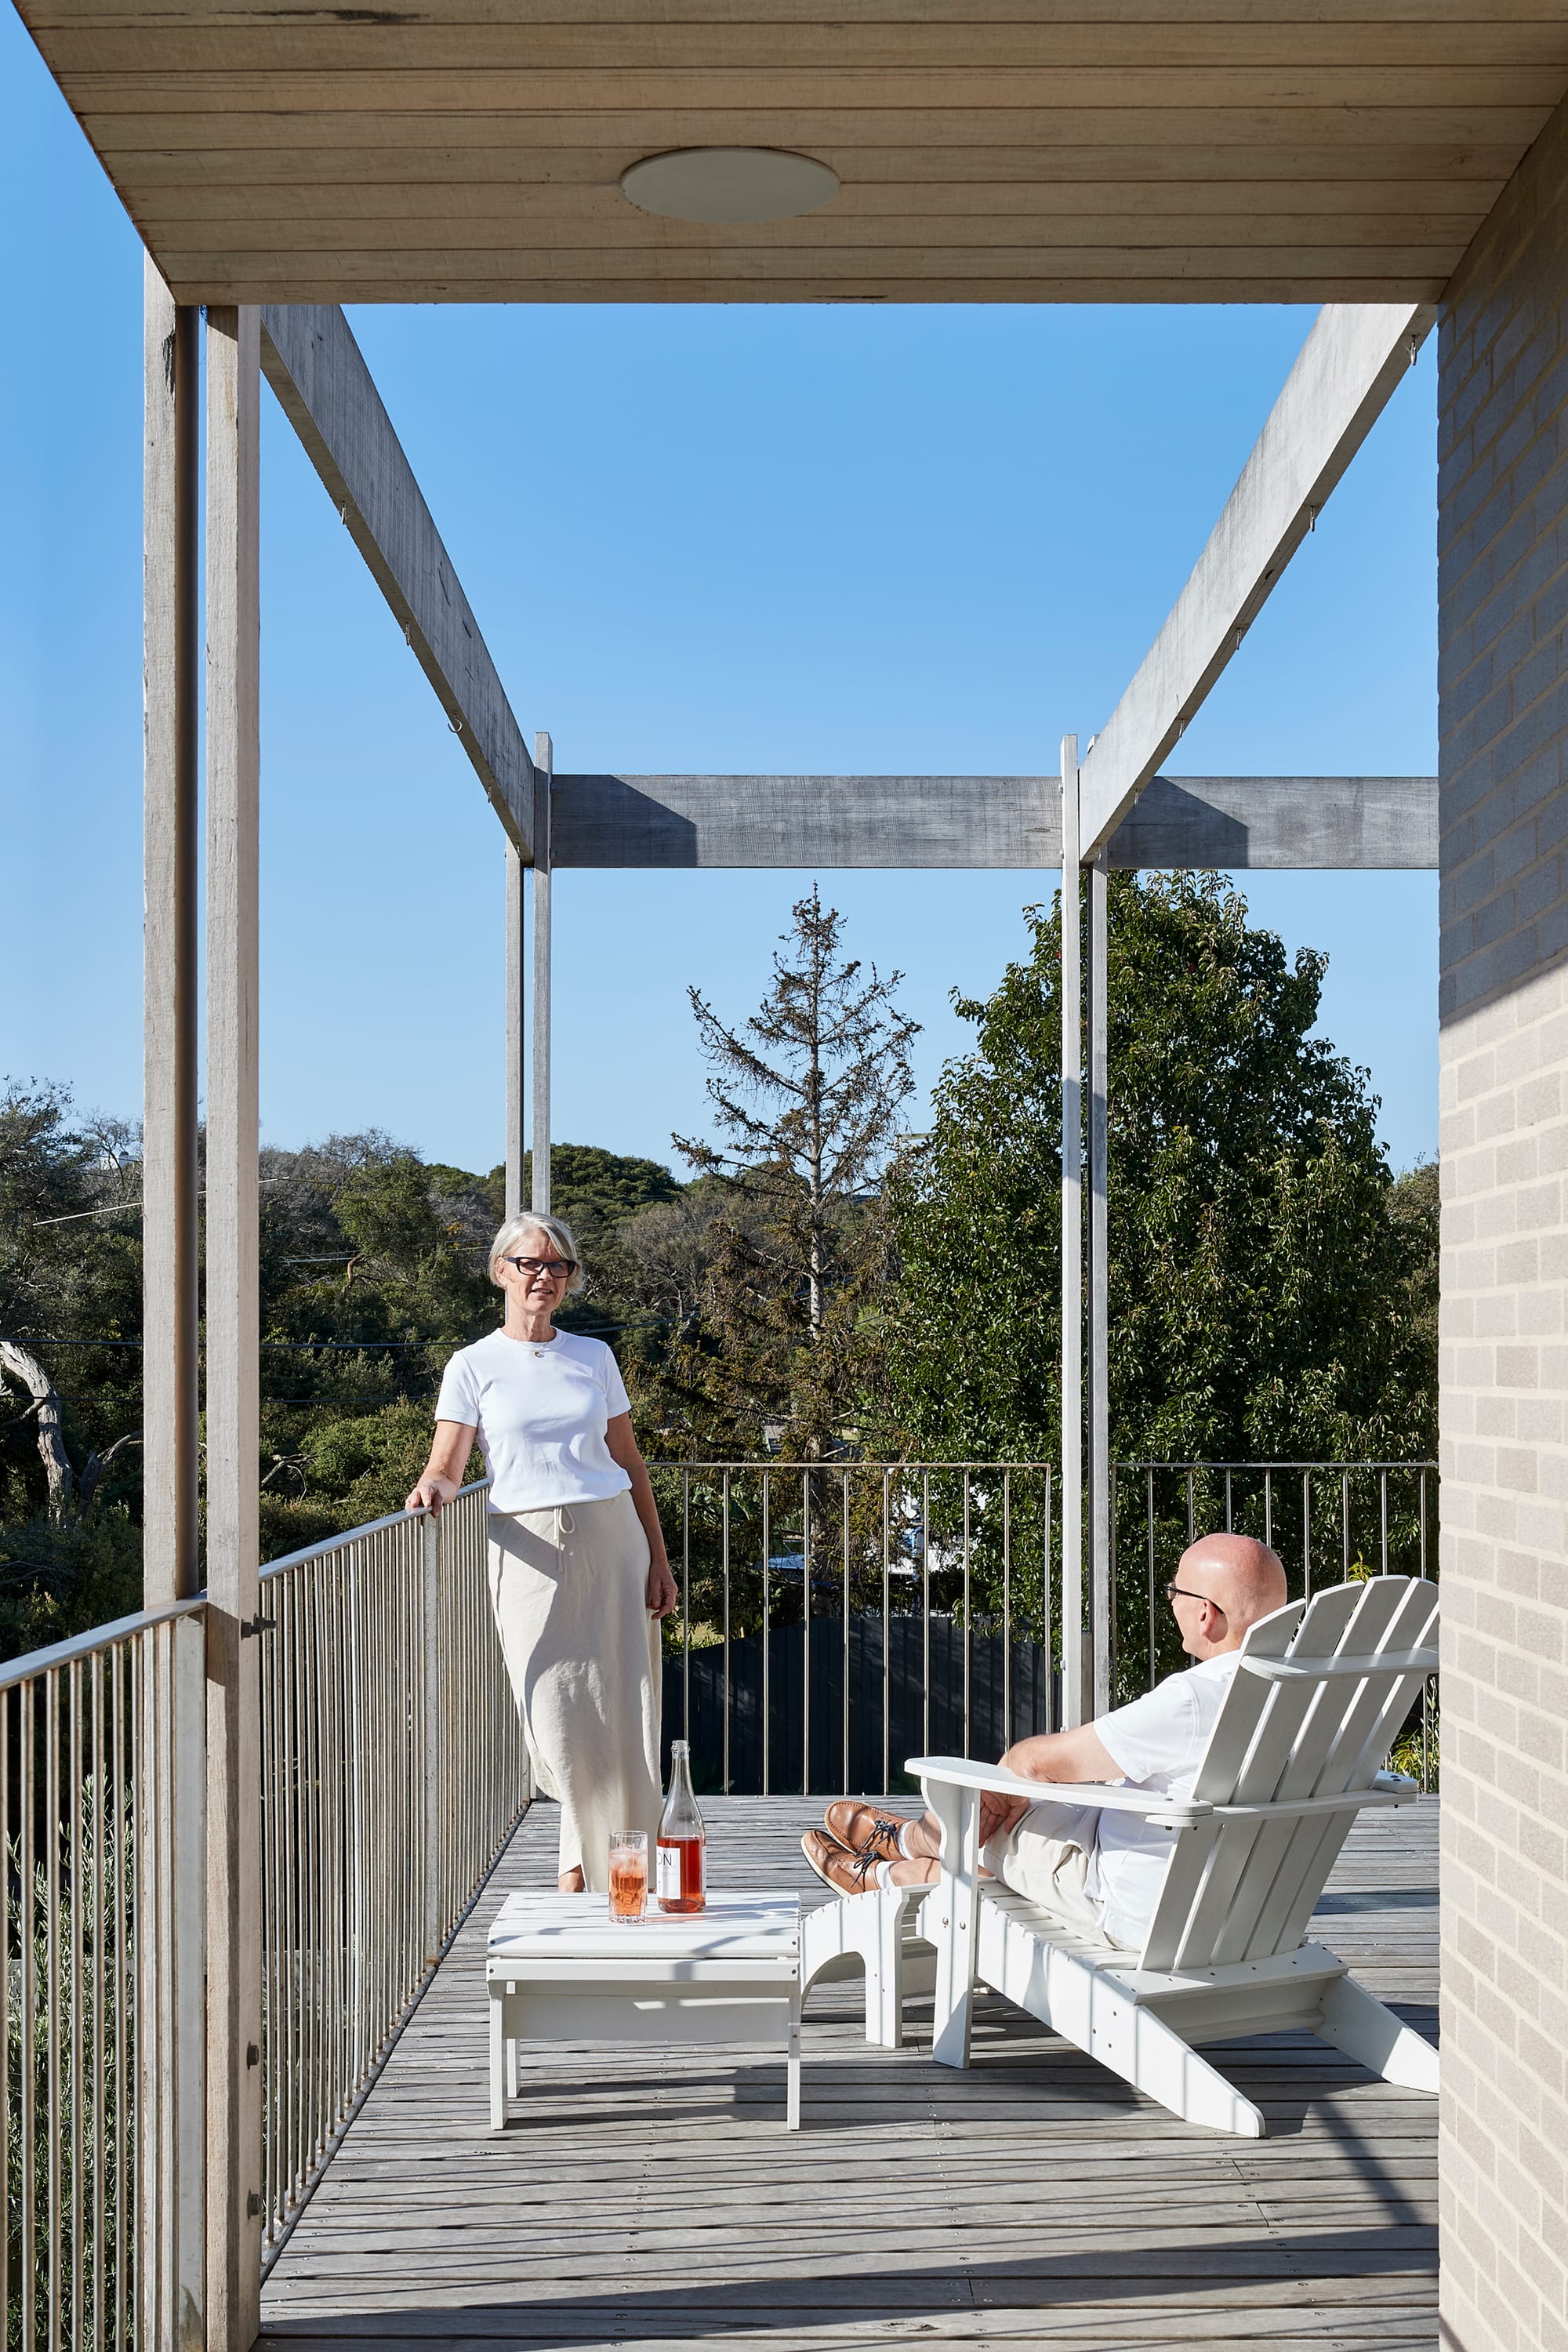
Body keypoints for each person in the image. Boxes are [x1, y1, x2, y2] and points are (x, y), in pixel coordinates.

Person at [802, 1531, 1289, 1951]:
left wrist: (1016, 1765)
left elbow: (1040, 1762)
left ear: (1206, 1614)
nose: (1171, 1601)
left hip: (1131, 1907)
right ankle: (912, 1853)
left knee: (983, 1801)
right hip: (1246, 1915)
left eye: (1175, 1591)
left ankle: (899, 1862)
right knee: (1028, 1800)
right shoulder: (1311, 1695)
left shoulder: (1194, 1699)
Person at [406, 1212, 678, 1893]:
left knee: (623, 1717)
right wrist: (431, 1488)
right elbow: (447, 1463)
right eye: (532, 1263)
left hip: (613, 1541)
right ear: (502, 1270)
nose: (546, 1277)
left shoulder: (594, 1357)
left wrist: (659, 1557)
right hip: (525, 1552)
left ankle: (597, 1882)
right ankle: (590, 1874)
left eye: (560, 1266)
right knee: (555, 1719)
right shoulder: (472, 1365)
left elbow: (628, 1461)